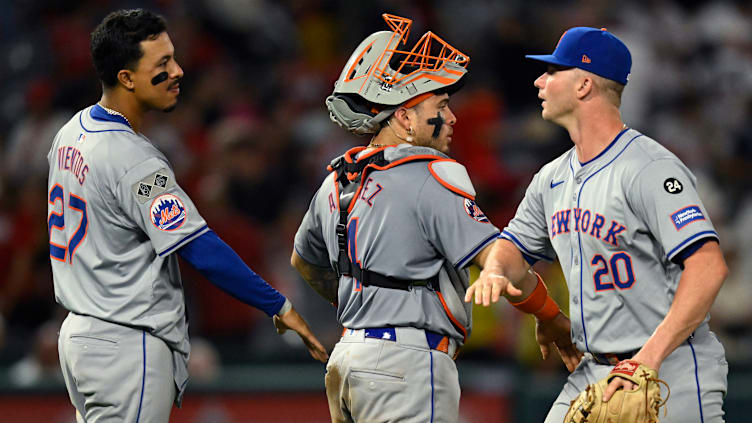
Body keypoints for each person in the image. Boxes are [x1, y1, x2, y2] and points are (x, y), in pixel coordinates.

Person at [47, 9, 327, 422]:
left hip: (80, 336)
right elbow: (199, 248)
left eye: (173, 57)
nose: (178, 71)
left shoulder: (70, 132)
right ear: (126, 77)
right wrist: (278, 305)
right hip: (127, 341)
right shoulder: (133, 157)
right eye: (161, 64)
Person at [290, 13, 548, 422]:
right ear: (404, 117)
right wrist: (551, 317)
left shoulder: (336, 180)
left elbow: (303, 262)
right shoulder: (431, 173)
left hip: (348, 357)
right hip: (405, 364)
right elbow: (504, 261)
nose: (453, 117)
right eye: (441, 105)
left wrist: (368, 305)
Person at [466, 27, 729, 422]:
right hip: (592, 369)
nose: (540, 81)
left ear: (584, 84)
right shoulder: (550, 178)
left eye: (553, 71)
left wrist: (648, 360)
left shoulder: (649, 168)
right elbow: (513, 246)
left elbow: (709, 267)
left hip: (671, 365)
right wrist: (499, 271)